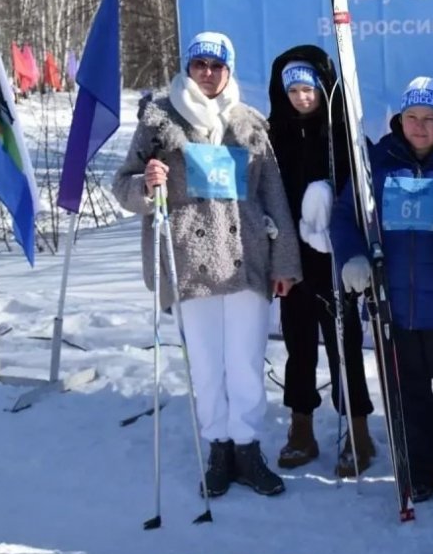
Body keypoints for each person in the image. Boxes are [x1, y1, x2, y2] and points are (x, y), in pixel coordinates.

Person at [113, 31, 301, 498]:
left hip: (247, 260)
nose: (209, 73)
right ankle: (218, 447)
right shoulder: (159, 122)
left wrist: (286, 262)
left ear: (229, 70)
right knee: (205, 364)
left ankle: (247, 448)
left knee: (244, 362)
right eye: (200, 65)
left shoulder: (250, 124)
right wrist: (147, 184)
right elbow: (123, 185)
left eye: (217, 66)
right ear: (189, 68)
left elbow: (272, 194)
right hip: (189, 258)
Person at [330, 76, 433, 506]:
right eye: (411, 118)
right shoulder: (377, 163)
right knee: (409, 394)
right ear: (399, 120)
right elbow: (344, 216)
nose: (419, 127)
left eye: (429, 119)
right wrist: (352, 256)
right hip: (394, 306)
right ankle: (421, 473)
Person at [266, 46, 375, 477]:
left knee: (344, 346)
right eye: (293, 89)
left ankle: (359, 430)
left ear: (323, 89)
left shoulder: (344, 136)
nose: (301, 97)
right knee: (298, 347)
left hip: (335, 261)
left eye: (309, 88)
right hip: (293, 262)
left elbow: (365, 198)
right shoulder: (275, 138)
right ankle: (301, 429)